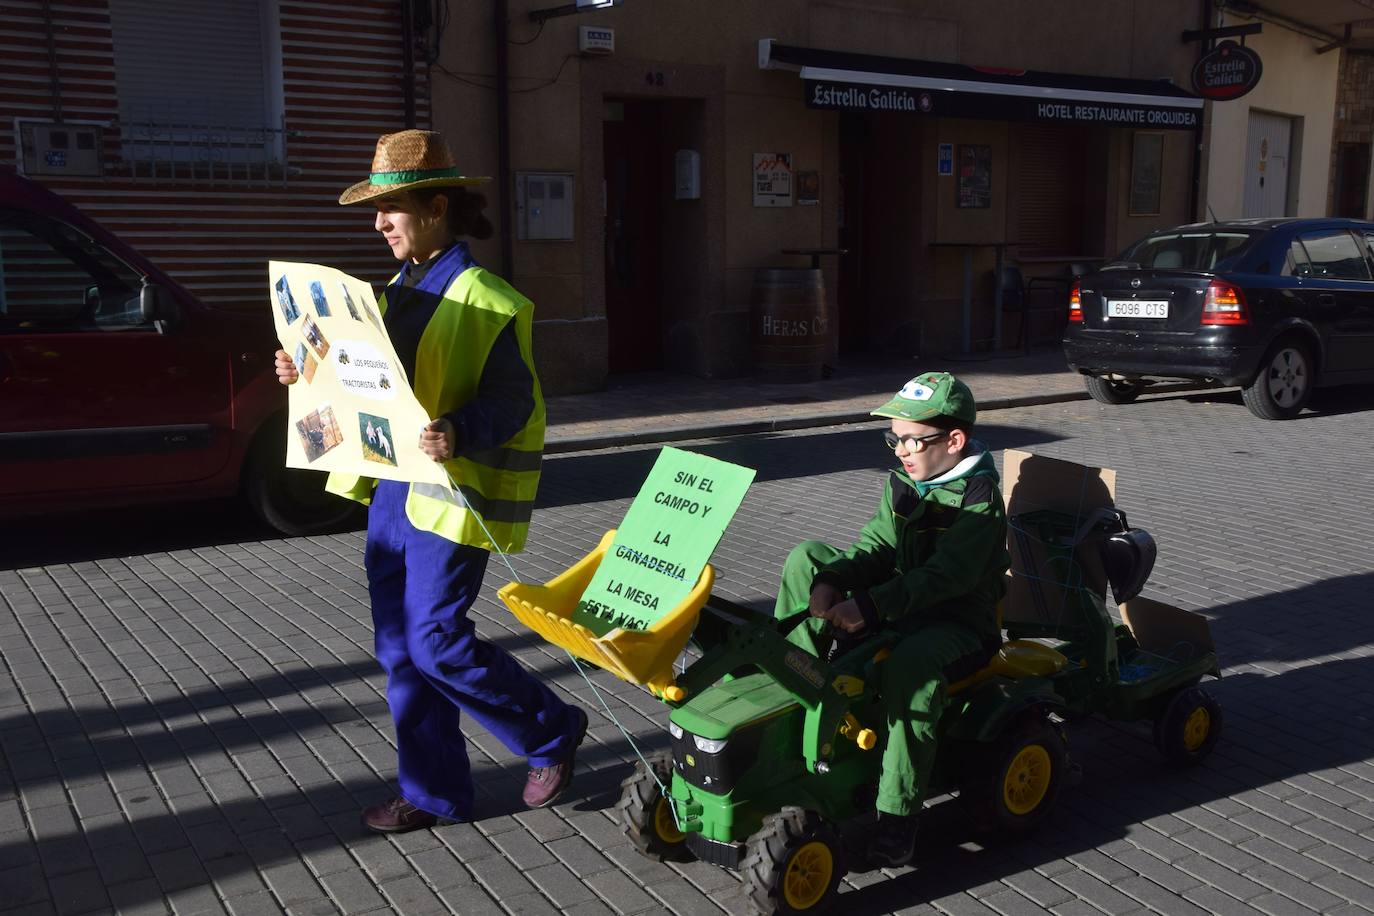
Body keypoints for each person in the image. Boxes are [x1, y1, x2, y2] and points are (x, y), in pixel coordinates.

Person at [274, 129, 587, 834]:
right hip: (392, 495)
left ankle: (551, 731)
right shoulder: (385, 295)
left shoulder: (488, 298)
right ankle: (433, 793)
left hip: (450, 499)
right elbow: (366, 389)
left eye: (393, 209)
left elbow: (516, 402)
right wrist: (304, 370)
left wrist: (459, 429)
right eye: (377, 211)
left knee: (436, 643)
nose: (378, 223)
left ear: (436, 208)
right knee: (399, 651)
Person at [773, 371, 1009, 867]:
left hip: (958, 625)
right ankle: (794, 681)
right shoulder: (906, 479)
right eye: (894, 439)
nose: (900, 451)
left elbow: (945, 579)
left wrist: (871, 606)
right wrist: (834, 578)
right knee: (807, 556)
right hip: (901, 608)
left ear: (954, 441)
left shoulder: (979, 500)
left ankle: (897, 816)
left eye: (911, 441)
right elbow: (879, 544)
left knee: (910, 672)